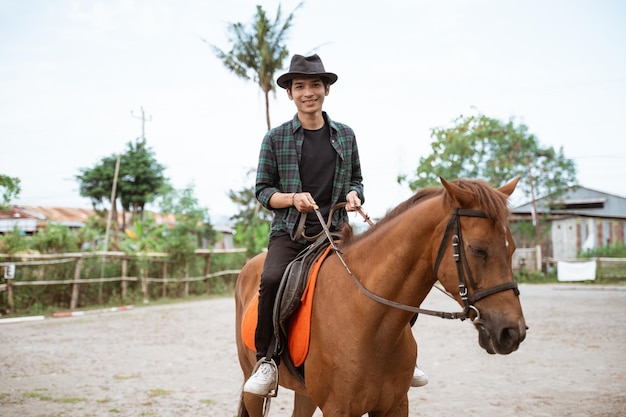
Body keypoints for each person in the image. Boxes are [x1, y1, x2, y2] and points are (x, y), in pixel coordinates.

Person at [243, 54, 427, 397]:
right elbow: (262, 190)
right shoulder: (275, 138)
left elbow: (355, 178)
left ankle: (401, 356)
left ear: (326, 90)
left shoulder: (345, 135)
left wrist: (355, 194)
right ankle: (267, 360)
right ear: (290, 93)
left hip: (337, 233)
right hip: (291, 233)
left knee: (394, 274)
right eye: (300, 87)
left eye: (315, 85)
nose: (308, 92)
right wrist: (293, 198)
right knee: (269, 279)